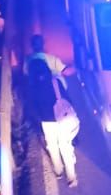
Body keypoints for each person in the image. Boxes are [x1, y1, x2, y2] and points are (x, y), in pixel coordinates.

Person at [25, 53, 79, 187]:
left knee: (52, 146)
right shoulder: (56, 81)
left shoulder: (32, 88)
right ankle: (71, 177)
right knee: (65, 146)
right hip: (62, 117)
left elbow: (33, 107)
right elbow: (66, 98)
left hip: (46, 120)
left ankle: (58, 171)